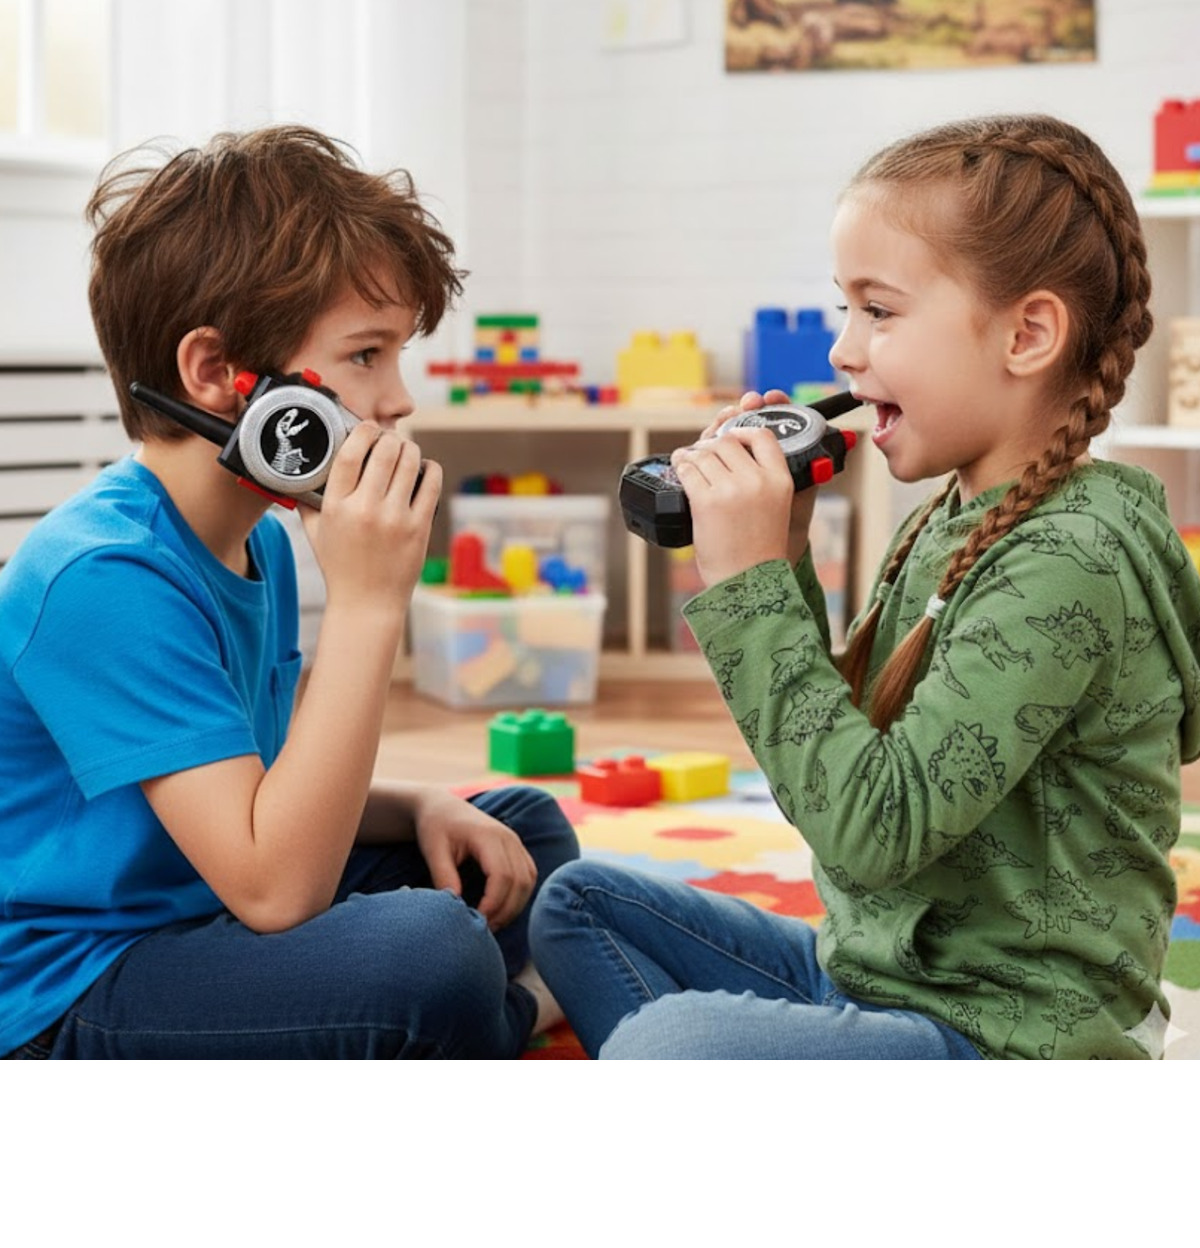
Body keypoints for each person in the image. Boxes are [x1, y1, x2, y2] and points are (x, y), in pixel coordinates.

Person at [531, 114, 1200, 1060]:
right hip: (881, 972)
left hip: (1012, 1031)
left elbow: (870, 833)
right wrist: (789, 556)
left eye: (879, 311)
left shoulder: (1069, 561)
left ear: (1028, 334)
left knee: (668, 1045)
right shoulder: (954, 509)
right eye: (845, 309)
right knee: (579, 903)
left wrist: (751, 585)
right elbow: (843, 750)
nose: (844, 352)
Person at [0, 125, 578, 1059]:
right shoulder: (100, 574)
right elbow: (278, 891)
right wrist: (368, 604)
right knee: (431, 955)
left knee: (518, 832)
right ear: (216, 377)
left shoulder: (255, 537)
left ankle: (469, 1016)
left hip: (216, 899)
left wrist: (423, 806)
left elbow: (260, 791)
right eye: (364, 357)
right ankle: (510, 1014)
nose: (397, 400)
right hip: (78, 990)